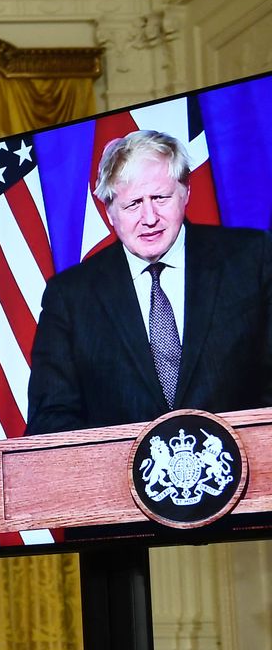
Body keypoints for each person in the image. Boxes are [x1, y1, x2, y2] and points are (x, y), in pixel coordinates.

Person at [25, 129, 272, 435]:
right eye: (133, 204)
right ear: (110, 212)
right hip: (120, 480)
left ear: (185, 193)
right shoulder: (70, 297)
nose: (150, 217)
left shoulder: (252, 258)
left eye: (160, 197)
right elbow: (51, 420)